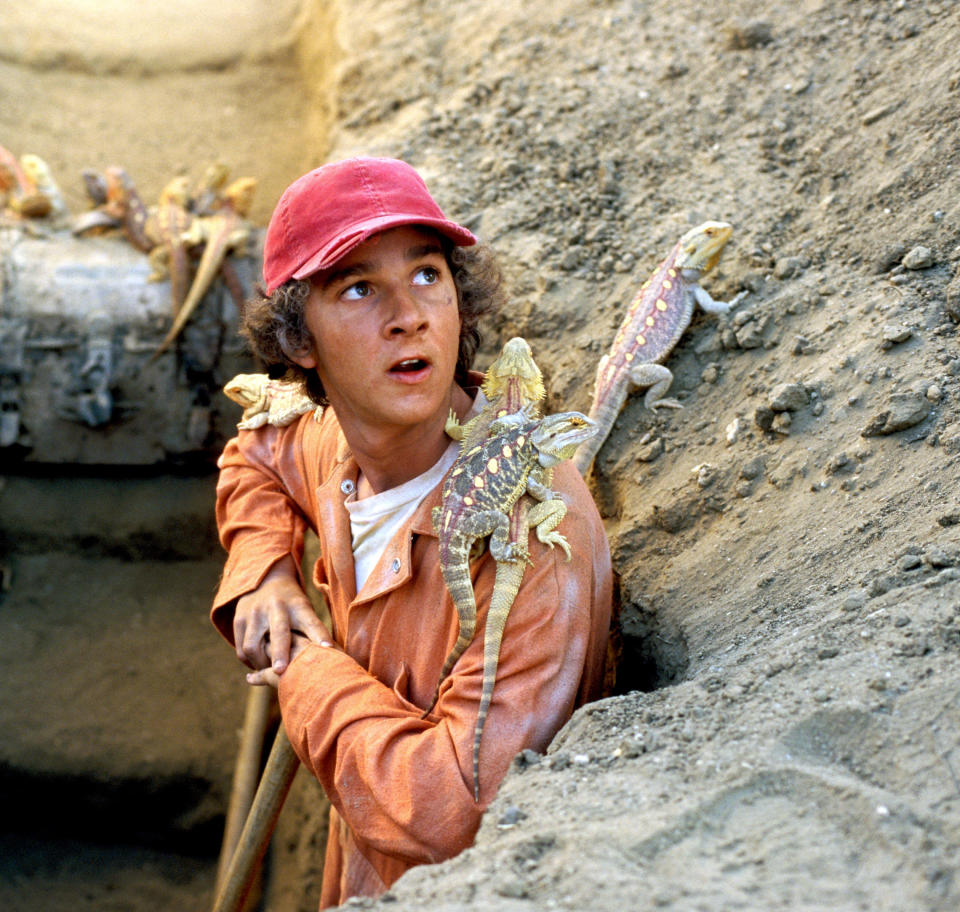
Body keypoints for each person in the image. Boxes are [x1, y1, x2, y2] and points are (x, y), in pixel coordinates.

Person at [211, 156, 613, 907]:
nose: (410, 314)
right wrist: (266, 571)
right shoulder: (329, 444)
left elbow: (451, 809)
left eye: (428, 274)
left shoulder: (522, 541)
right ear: (301, 341)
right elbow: (254, 454)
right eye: (359, 288)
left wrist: (306, 673)